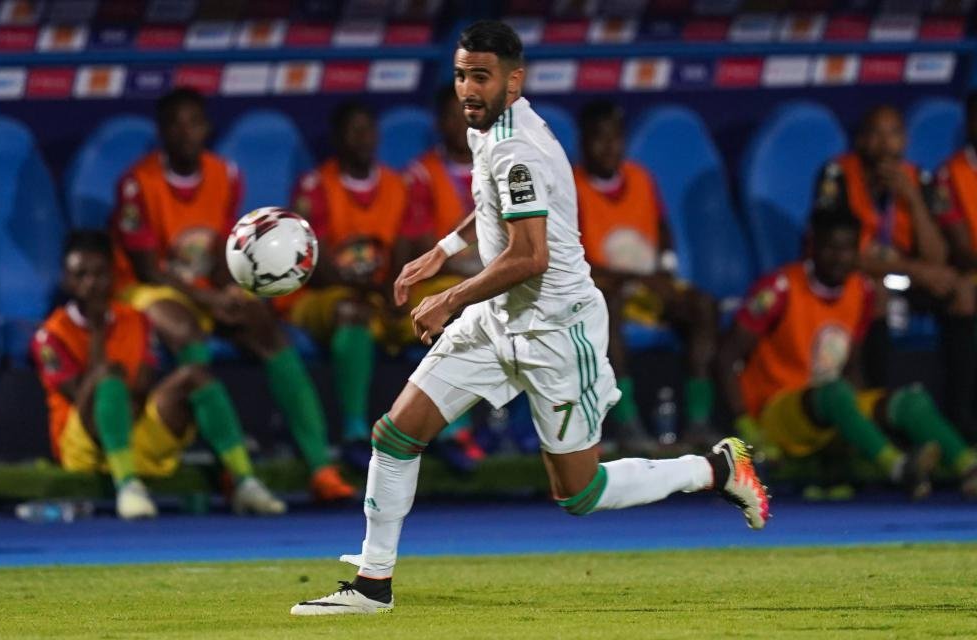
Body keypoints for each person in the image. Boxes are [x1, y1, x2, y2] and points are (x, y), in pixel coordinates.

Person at [290, 20, 769, 616]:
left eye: (481, 77)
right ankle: (372, 585)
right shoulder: (487, 128)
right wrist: (441, 251)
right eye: (462, 74)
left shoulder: (521, 148)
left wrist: (449, 296)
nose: (468, 88)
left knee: (580, 493)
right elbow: (488, 205)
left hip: (555, 331)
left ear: (514, 81)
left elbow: (529, 255)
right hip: (497, 318)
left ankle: (714, 468)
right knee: (396, 434)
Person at [111, 88, 353, 502]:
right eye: (175, 124)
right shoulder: (138, 183)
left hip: (203, 290)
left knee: (264, 325)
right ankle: (231, 468)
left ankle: (320, 467)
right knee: (186, 332)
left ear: (206, 129)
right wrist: (210, 301)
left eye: (193, 123)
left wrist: (229, 289)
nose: (185, 133)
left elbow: (224, 250)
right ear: (163, 132)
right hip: (144, 290)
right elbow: (149, 268)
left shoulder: (226, 175)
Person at [716, 207, 977, 499]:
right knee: (834, 392)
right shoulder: (781, 287)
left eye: (848, 249)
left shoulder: (861, 291)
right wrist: (743, 423)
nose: (839, 258)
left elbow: (851, 365)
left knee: (909, 401)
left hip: (832, 408)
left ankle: (968, 467)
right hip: (776, 412)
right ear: (813, 247)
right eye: (830, 248)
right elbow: (727, 355)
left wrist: (861, 423)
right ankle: (899, 468)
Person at [32, 231, 286, 519]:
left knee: (195, 376)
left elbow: (142, 387)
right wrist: (99, 331)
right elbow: (80, 398)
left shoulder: (136, 320)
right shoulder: (50, 335)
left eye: (100, 274)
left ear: (113, 276)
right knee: (107, 375)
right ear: (67, 280)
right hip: (83, 448)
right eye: (81, 275)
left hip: (134, 432)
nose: (91, 284)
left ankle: (245, 483)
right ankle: (128, 486)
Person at [813, 105, 975, 434]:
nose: (885, 144)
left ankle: (962, 418)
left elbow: (937, 257)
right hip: (860, 277)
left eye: (894, 134)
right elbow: (840, 255)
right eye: (875, 133)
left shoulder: (920, 179)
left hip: (906, 278)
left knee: (962, 292)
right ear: (860, 140)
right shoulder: (838, 175)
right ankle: (881, 416)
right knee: (878, 294)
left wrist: (913, 200)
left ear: (905, 140)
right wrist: (914, 270)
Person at [279, 102, 418, 471]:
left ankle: (450, 432)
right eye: (353, 130)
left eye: (368, 129)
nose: (362, 138)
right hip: (323, 296)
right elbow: (314, 262)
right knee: (351, 311)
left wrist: (394, 288)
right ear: (338, 138)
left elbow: (404, 246)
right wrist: (372, 292)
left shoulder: (397, 184)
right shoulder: (315, 186)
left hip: (378, 293)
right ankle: (355, 431)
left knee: (434, 312)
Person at [574, 100, 718, 450]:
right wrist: (630, 280)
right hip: (600, 289)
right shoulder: (569, 185)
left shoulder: (641, 178)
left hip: (649, 286)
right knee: (606, 308)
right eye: (599, 139)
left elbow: (663, 230)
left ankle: (699, 421)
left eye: (615, 139)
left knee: (703, 306)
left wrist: (666, 270)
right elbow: (570, 257)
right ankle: (626, 422)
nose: (608, 148)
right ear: (584, 144)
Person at [401, 83, 487, 471]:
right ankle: (455, 429)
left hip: (491, 278)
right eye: (453, 115)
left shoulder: (496, 163)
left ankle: (529, 426)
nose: (462, 121)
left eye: (468, 111)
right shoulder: (420, 175)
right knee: (458, 310)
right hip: (439, 283)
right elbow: (420, 244)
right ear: (440, 123)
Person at [931, 91, 977, 442]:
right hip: (968, 272)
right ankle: (963, 428)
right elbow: (963, 249)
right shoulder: (949, 175)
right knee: (964, 296)